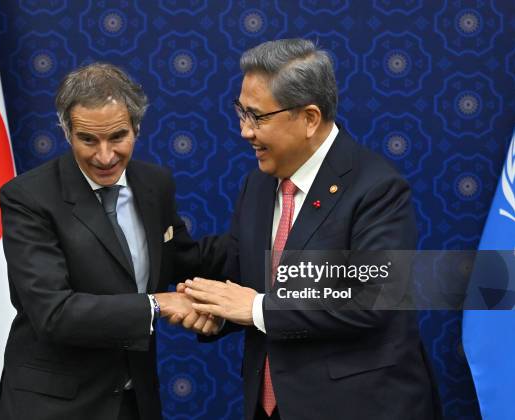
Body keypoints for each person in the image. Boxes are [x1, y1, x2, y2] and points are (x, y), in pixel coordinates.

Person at [184, 39, 442, 420]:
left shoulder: (376, 189)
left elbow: (369, 301)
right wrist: (205, 306)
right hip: (270, 406)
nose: (244, 131)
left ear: (309, 118)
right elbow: (242, 273)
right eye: (241, 112)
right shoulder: (257, 184)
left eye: (258, 117)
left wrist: (255, 308)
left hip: (358, 407)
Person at [0, 63, 222, 420]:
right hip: (54, 407)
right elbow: (54, 313)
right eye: (88, 139)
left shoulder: (155, 185)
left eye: (117, 137)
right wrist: (156, 305)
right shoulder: (28, 198)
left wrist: (264, 252)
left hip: (135, 402)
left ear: (137, 128)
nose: (104, 156)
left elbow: (183, 259)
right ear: (67, 132)